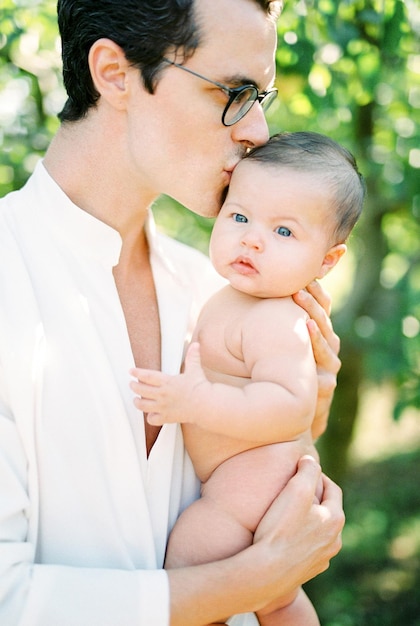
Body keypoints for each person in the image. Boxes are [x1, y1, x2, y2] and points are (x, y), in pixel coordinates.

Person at [0, 1, 345, 625]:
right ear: (114, 73)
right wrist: (258, 578)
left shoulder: (218, 289)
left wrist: (301, 425)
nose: (258, 131)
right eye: (235, 91)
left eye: (260, 96)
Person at [131, 131, 365, 626]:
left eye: (284, 232)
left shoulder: (276, 319)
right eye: (239, 217)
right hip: (246, 482)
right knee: (276, 600)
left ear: (327, 260)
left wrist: (199, 402)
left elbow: (291, 406)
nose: (252, 238)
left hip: (248, 491)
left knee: (195, 565)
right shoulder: (231, 296)